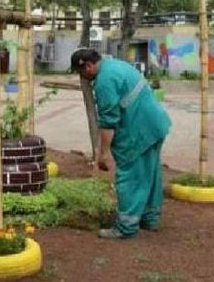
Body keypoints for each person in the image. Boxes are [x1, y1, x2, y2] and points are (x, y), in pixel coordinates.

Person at [71, 47, 171, 239]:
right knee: (149, 173)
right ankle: (149, 219)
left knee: (130, 176)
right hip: (155, 126)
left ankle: (126, 227)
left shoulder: (104, 81)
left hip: (139, 132)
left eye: (80, 72)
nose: (82, 77)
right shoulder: (115, 65)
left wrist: (103, 153)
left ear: (88, 66)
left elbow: (109, 122)